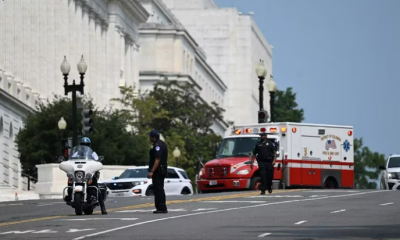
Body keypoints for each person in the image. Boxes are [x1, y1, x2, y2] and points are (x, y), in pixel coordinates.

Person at [66, 137, 107, 215]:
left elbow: (97, 159)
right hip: (79, 173)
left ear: (89, 145)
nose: (85, 146)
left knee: (96, 187)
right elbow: (70, 159)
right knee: (70, 181)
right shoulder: (76, 153)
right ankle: (69, 195)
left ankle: (103, 208)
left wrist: (98, 161)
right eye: (83, 144)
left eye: (86, 144)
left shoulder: (92, 153)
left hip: (89, 174)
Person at [147, 129, 168, 214]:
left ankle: (161, 207)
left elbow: (157, 159)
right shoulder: (162, 144)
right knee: (159, 189)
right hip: (161, 169)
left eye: (150, 136)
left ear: (154, 137)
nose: (149, 138)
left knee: (158, 189)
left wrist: (152, 171)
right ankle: (160, 207)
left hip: (158, 170)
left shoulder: (158, 145)